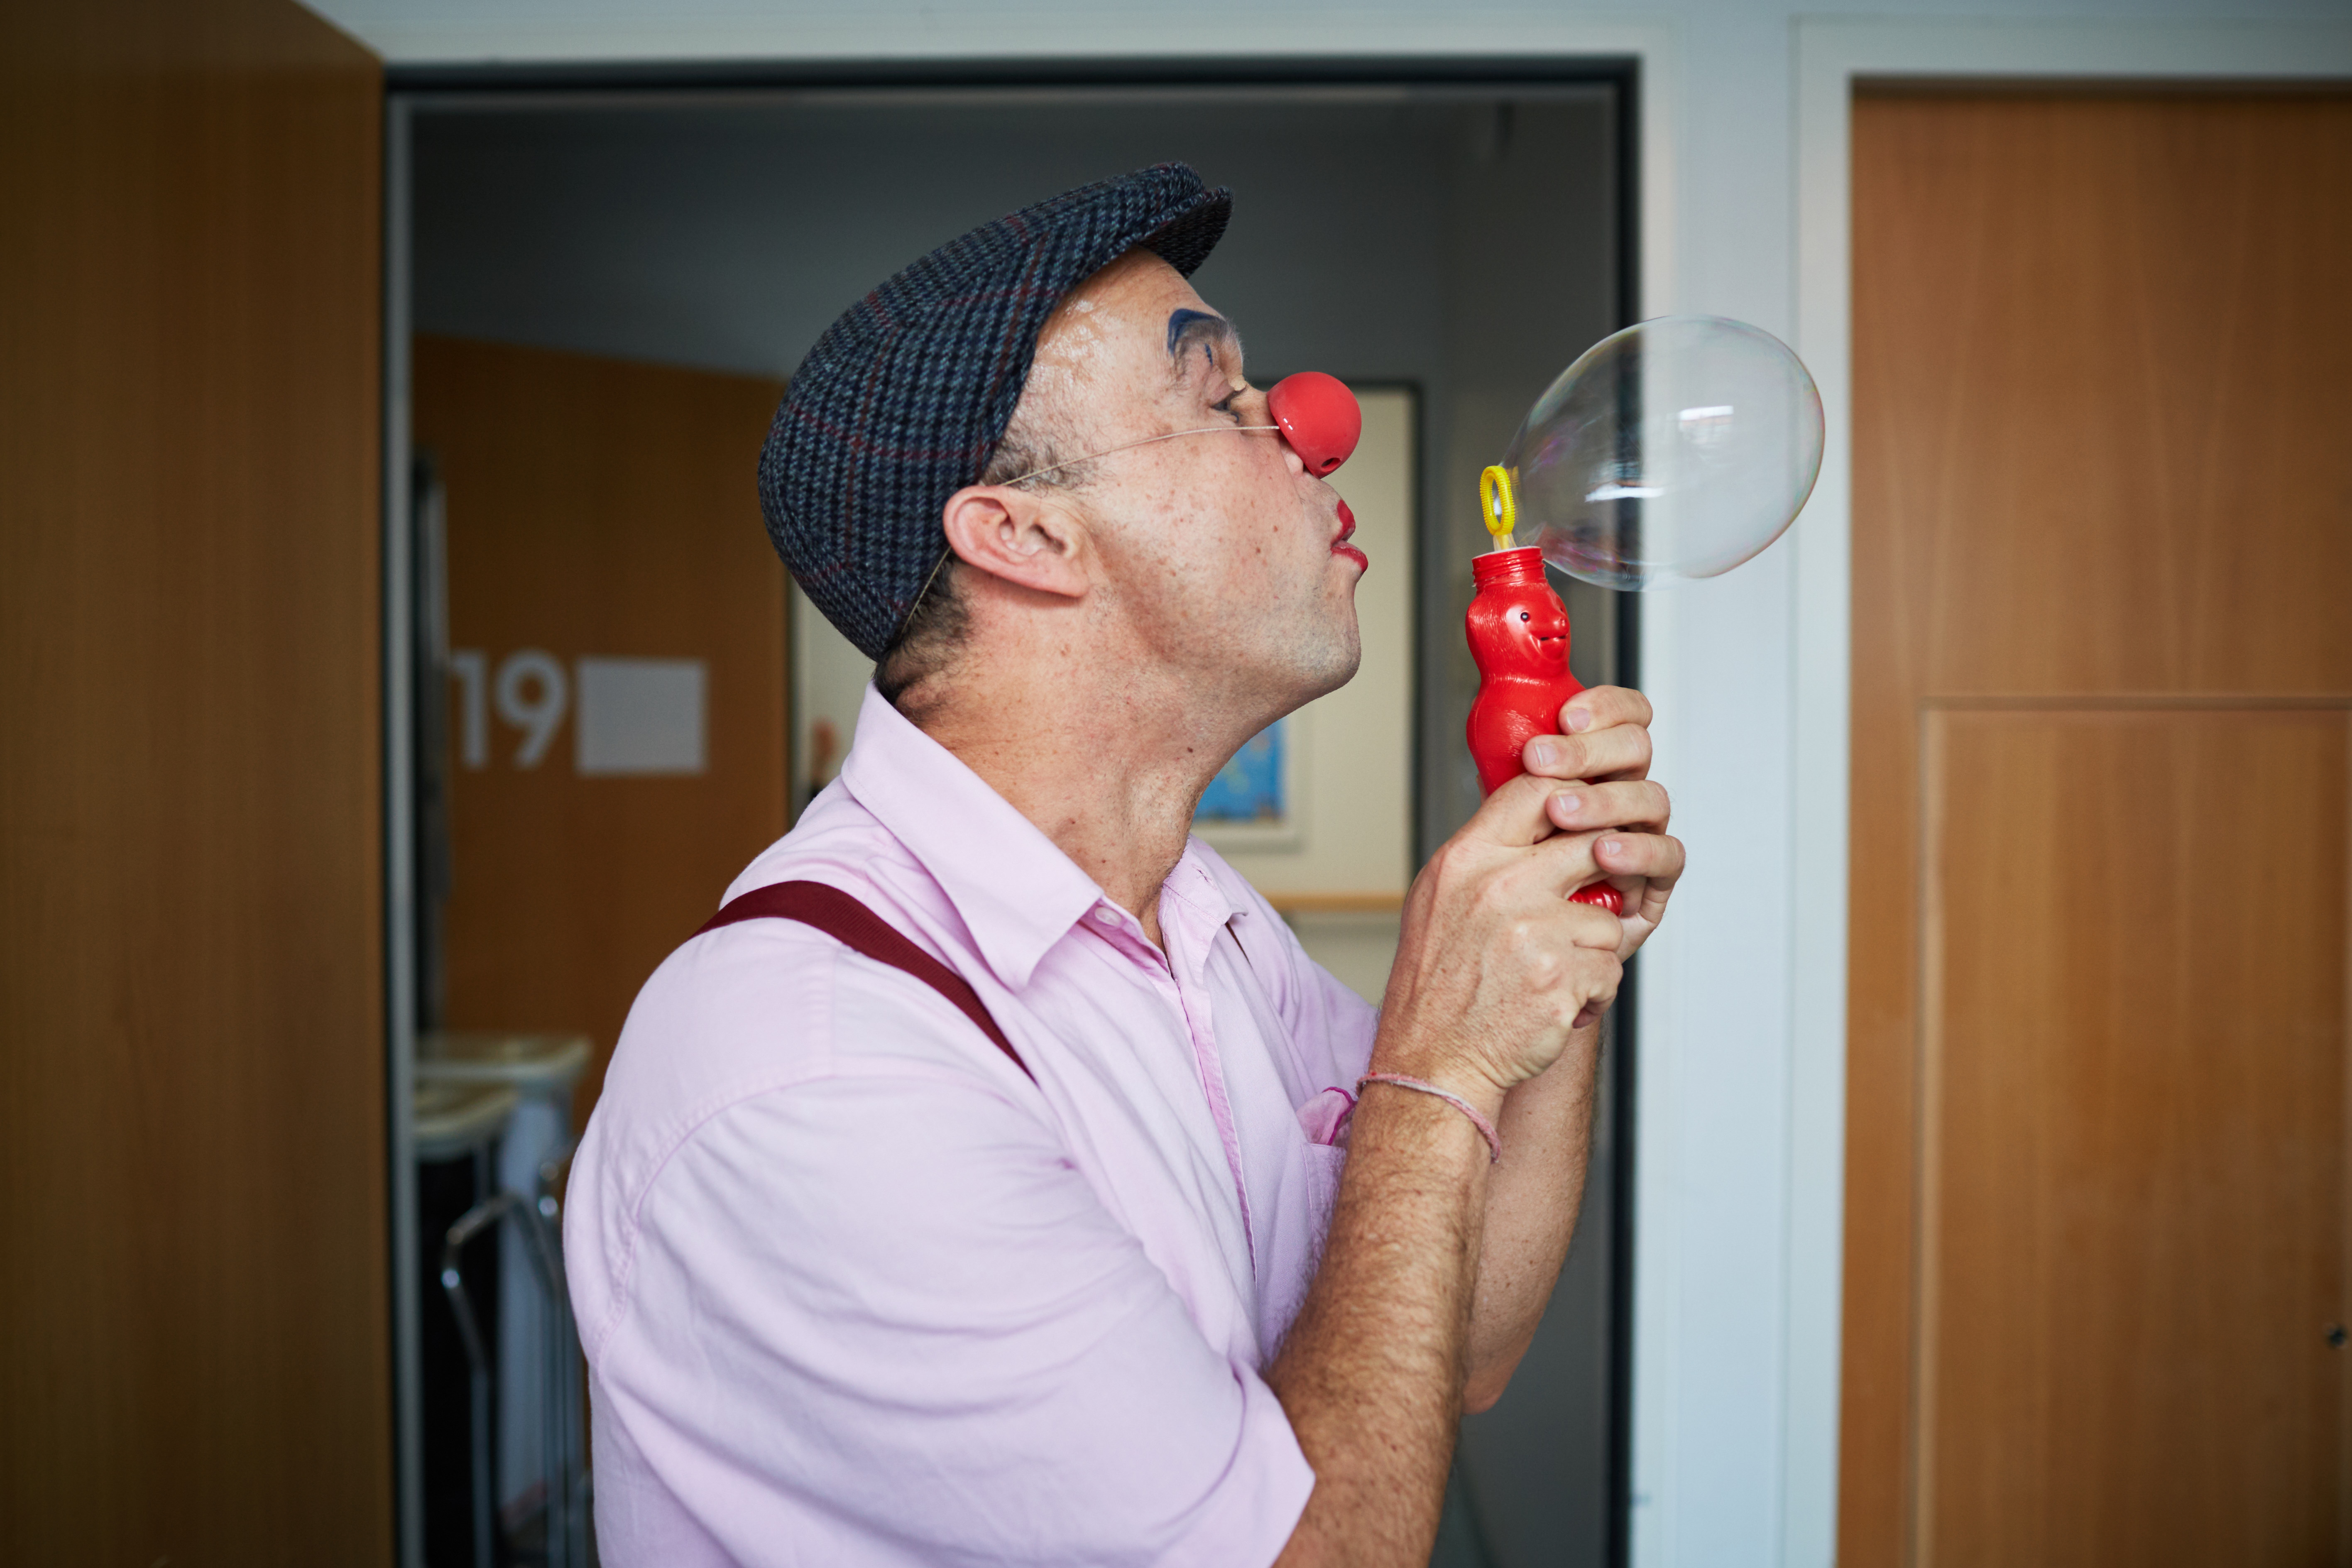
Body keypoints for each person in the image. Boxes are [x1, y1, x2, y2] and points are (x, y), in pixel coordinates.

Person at [565, 164, 1683, 1568]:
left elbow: (1456, 1345)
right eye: (1220, 399)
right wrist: (1437, 1064)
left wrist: (1555, 962)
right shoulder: (816, 1066)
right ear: (1024, 534)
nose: (1314, 430)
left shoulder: (1204, 926)